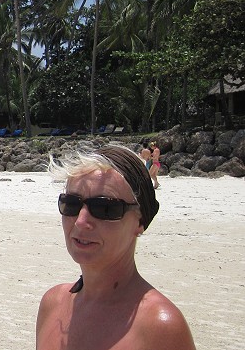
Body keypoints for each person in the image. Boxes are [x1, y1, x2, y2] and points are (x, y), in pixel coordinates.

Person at [36, 145, 195, 350]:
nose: (81, 222)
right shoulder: (53, 304)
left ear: (140, 221)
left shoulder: (159, 327)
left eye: (105, 208)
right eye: (71, 204)